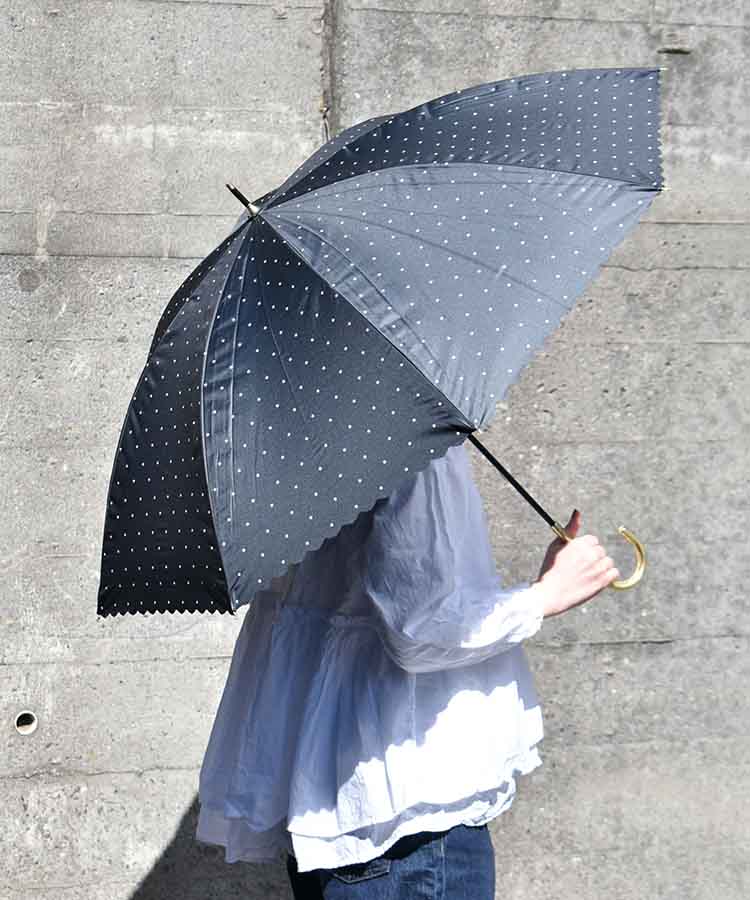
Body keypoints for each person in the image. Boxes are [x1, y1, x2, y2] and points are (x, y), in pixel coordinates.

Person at [195, 438, 620, 898]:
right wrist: (543, 596)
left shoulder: (305, 434)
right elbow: (420, 629)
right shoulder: (411, 444)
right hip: (406, 820)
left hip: (333, 798)